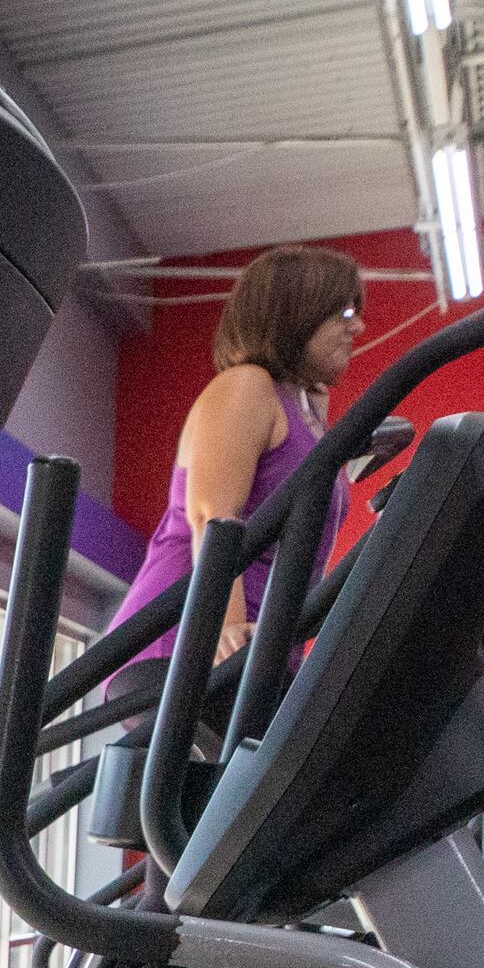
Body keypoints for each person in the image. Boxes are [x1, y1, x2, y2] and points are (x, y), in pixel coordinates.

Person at [118, 244, 367, 660]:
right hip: (187, 645)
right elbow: (213, 516)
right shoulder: (246, 386)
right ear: (297, 314)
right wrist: (227, 632)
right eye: (343, 313)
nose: (357, 326)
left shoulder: (305, 412)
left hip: (262, 651)